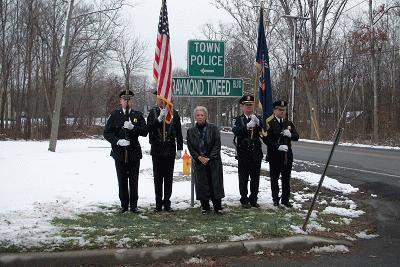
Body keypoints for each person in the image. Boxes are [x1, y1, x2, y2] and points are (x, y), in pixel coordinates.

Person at [103, 89, 148, 213]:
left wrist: (134, 127)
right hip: (119, 153)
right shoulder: (115, 115)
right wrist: (117, 141)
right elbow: (107, 133)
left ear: (132, 101)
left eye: (129, 99)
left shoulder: (137, 115)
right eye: (124, 99)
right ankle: (124, 205)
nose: (127, 102)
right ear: (120, 101)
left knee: (134, 180)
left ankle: (134, 206)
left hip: (133, 152)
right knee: (122, 179)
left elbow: (145, 132)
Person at [147, 92, 183, 212]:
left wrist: (179, 149)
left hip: (169, 149)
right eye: (159, 98)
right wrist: (159, 119)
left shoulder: (174, 113)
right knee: (158, 178)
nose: (161, 100)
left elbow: (179, 133)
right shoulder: (152, 113)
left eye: (164, 98)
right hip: (157, 149)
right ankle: (158, 203)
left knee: (168, 178)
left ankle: (167, 202)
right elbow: (148, 129)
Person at [186, 106, 225, 215]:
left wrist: (209, 158)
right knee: (202, 184)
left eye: (202, 115)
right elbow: (190, 147)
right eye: (198, 115)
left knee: (215, 184)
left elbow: (217, 144)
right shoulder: (191, 131)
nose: (200, 117)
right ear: (195, 117)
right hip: (199, 161)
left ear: (205, 116)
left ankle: (218, 207)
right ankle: (205, 206)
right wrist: (199, 157)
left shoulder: (213, 128)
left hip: (213, 161)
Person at [264, 100, 299, 208]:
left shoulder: (288, 123)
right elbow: (266, 139)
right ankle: (275, 199)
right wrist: (277, 146)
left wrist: (290, 135)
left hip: (286, 156)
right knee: (274, 179)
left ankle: (285, 199)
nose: (282, 112)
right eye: (279, 110)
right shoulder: (269, 123)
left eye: (283, 110)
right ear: (274, 110)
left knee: (286, 179)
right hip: (274, 155)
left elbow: (297, 137)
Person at [232, 95, 264, 209]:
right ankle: (244, 199)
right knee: (243, 177)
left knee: (255, 178)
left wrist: (259, 124)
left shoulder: (258, 118)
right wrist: (246, 126)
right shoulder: (238, 119)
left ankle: (253, 198)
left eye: (251, 105)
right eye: (247, 105)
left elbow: (265, 133)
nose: (249, 107)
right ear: (242, 106)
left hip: (255, 153)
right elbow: (235, 131)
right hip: (243, 153)